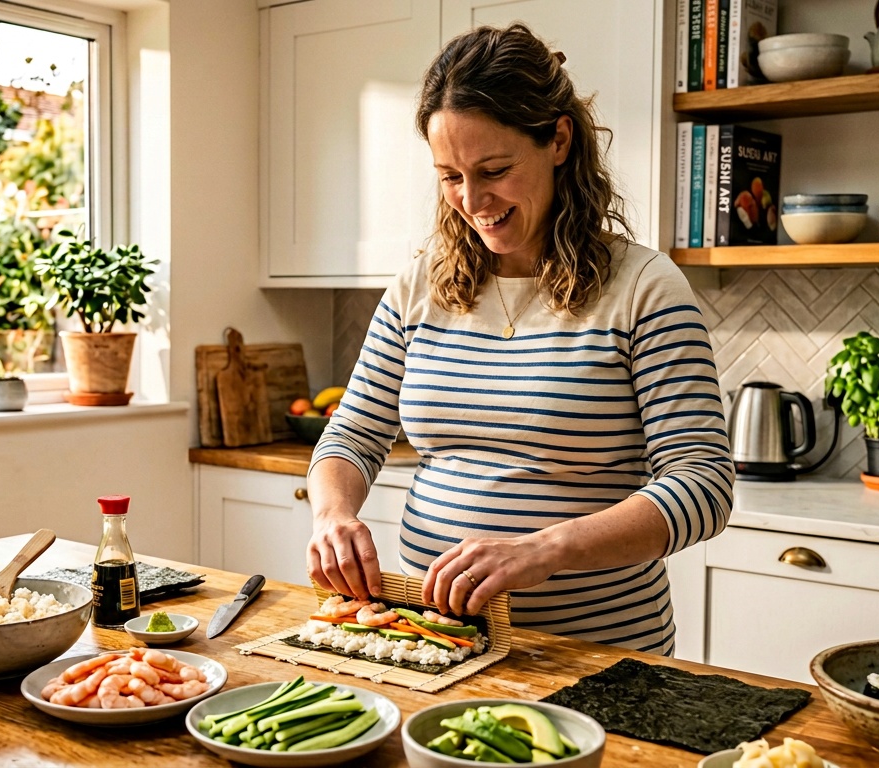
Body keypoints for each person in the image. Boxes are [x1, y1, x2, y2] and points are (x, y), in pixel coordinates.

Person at [304, 23, 733, 655]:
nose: (472, 200)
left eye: (494, 169)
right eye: (449, 176)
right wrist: (332, 514)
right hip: (441, 640)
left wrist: (545, 550)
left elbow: (703, 483)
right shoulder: (419, 285)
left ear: (558, 140)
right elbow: (352, 434)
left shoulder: (643, 286)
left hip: (597, 652)